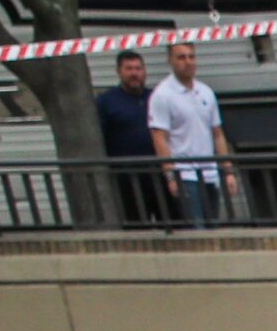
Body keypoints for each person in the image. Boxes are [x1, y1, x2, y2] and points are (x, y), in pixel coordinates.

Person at [149, 40, 235, 227]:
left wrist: (227, 170)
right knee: (196, 228)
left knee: (214, 226)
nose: (188, 62)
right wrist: (170, 175)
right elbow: (159, 138)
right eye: (181, 57)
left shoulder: (205, 92)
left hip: (209, 172)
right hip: (185, 174)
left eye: (191, 56)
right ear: (170, 60)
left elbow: (217, 134)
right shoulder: (162, 95)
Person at [94, 49, 165, 226]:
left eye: (138, 68)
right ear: (119, 71)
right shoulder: (106, 101)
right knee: (137, 227)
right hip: (127, 178)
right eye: (129, 69)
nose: (135, 73)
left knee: (172, 224)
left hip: (159, 174)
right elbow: (99, 137)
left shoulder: (156, 98)